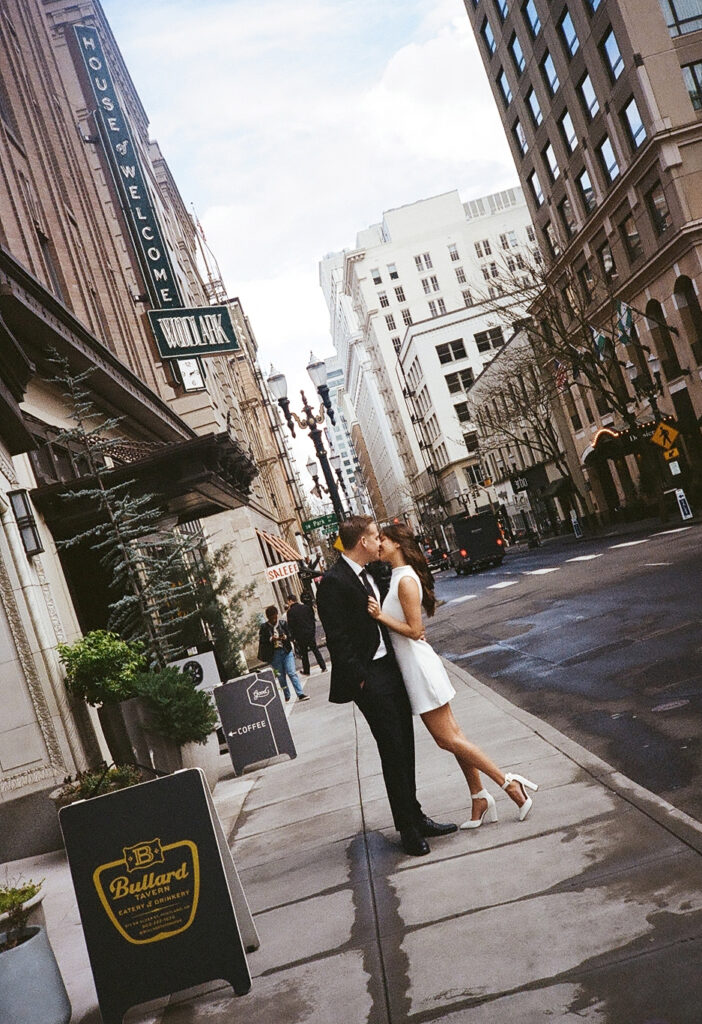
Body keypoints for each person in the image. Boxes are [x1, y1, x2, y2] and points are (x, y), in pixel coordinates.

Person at [367, 523, 538, 828]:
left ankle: (509, 784)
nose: (378, 543)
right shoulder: (396, 577)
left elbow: (416, 631)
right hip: (416, 666)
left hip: (419, 669)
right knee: (455, 738)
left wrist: (381, 617)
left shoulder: (405, 580)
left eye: (382, 539)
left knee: (446, 739)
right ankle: (479, 798)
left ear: (397, 544)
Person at [316, 515, 457, 856]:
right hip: (370, 677)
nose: (380, 541)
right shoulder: (334, 582)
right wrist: (361, 679)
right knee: (391, 749)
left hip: (391, 670)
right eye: (375, 536)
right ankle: (407, 829)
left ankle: (416, 815)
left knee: (405, 745)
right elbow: (337, 640)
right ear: (362, 541)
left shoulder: (373, 573)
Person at [257, 605, 309, 702]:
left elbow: (290, 634)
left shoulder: (283, 623)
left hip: (286, 651)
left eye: (275, 617)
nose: (274, 619)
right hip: (274, 655)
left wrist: (285, 637)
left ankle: (300, 693)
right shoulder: (264, 627)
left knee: (292, 672)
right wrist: (271, 638)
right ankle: (287, 694)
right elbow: (262, 640)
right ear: (268, 617)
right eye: (271, 618)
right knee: (281, 677)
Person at [285, 595, 327, 675]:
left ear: (290, 601)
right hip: (309, 633)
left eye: (288, 602)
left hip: (300, 636)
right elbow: (312, 620)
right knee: (315, 650)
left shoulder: (290, 612)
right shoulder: (305, 607)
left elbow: (291, 626)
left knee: (304, 654)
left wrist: (293, 637)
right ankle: (323, 667)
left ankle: (307, 671)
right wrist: (312, 630)